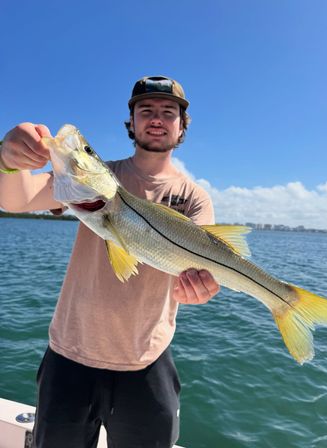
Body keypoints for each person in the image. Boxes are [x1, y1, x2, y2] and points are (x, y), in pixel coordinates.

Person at [0, 76, 220, 448]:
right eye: (145, 110)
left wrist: (202, 289)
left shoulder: (193, 197)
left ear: (181, 126)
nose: (156, 118)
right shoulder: (92, 179)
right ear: (131, 122)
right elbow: (17, 201)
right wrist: (8, 161)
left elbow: (206, 271)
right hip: (69, 354)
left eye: (169, 112)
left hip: (146, 360)